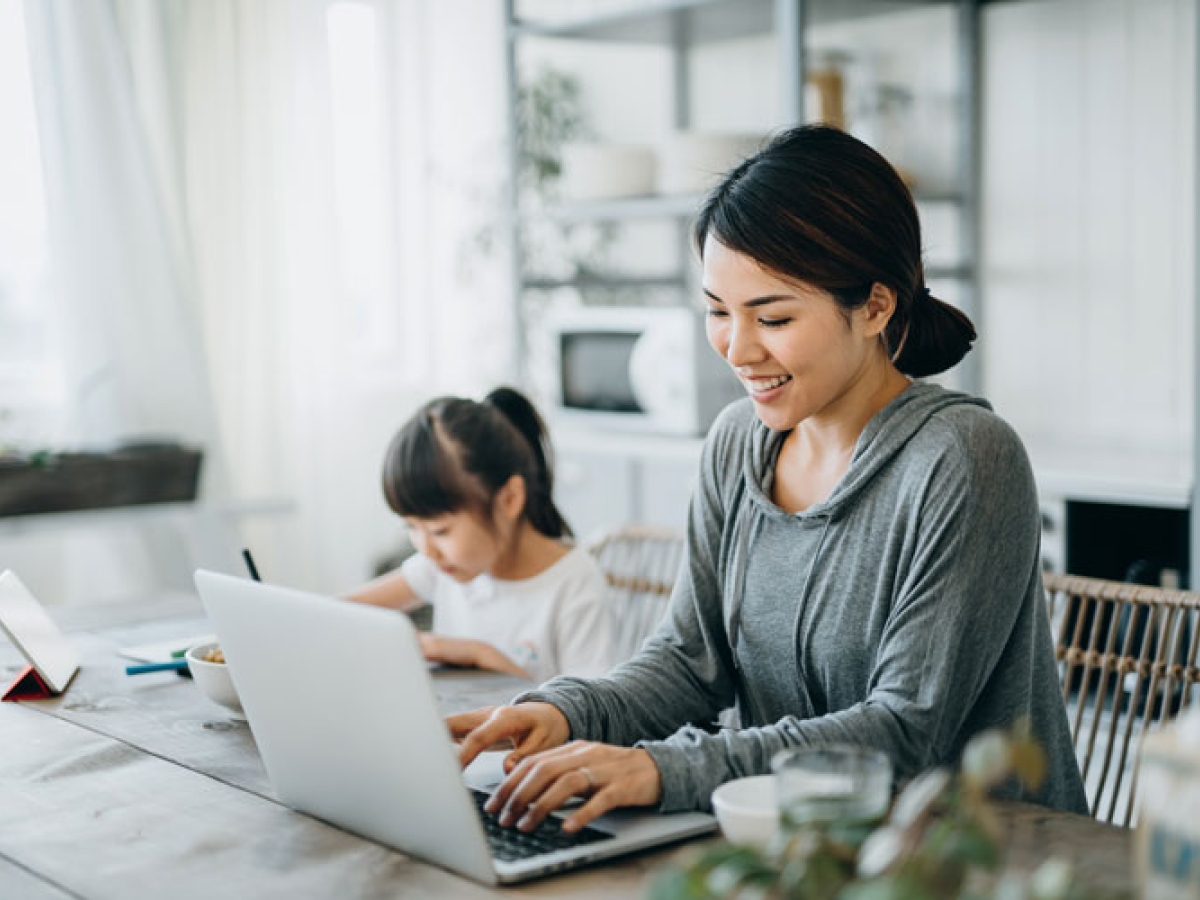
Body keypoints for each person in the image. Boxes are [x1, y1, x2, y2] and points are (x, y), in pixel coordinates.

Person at [450, 124, 1089, 835]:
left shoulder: (965, 458)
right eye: (717, 311)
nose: (737, 348)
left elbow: (906, 734)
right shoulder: (736, 446)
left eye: (773, 317)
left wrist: (662, 770)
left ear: (876, 307)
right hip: (792, 845)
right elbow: (689, 664)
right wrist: (566, 711)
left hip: (974, 859)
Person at [346, 387, 611, 683]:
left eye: (439, 530)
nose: (426, 550)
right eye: (410, 527)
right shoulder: (442, 566)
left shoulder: (574, 583)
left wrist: (482, 656)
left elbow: (591, 719)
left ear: (510, 499)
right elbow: (335, 613)